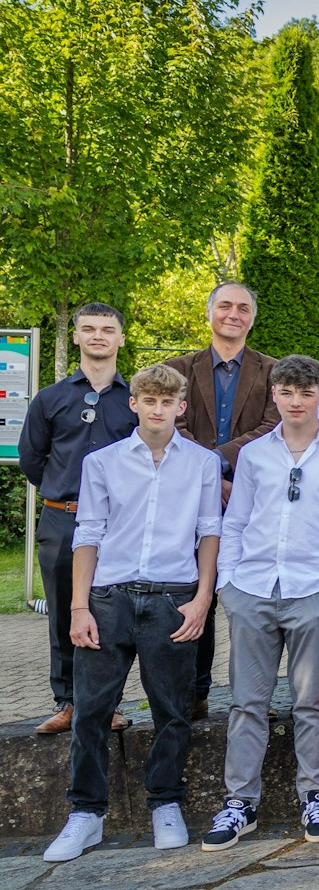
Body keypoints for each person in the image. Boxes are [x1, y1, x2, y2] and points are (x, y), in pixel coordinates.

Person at [42, 364, 219, 863]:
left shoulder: (203, 464)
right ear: (135, 403)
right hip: (108, 597)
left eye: (168, 401)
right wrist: (79, 607)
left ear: (181, 407)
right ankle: (86, 813)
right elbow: (88, 534)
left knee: (171, 709)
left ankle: (165, 803)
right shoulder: (103, 462)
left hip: (172, 597)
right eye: (149, 400)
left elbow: (209, 531)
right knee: (92, 712)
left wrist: (203, 597)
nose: (158, 409)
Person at [203, 355, 319, 851]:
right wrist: (227, 583)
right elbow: (234, 522)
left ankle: (315, 795)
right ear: (274, 396)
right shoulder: (254, 455)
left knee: (312, 700)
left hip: (313, 592)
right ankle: (240, 803)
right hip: (253, 589)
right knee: (246, 704)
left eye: (306, 393)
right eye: (287, 393)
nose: (296, 402)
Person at [164, 282, 280, 718]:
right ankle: (194, 693)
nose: (234, 313)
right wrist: (210, 473)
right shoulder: (178, 369)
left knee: (253, 601)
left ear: (252, 316)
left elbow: (272, 426)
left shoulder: (272, 371)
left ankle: (253, 695)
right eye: (226, 305)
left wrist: (217, 466)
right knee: (195, 594)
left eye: (244, 307)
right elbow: (170, 422)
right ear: (210, 311)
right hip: (188, 503)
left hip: (251, 500)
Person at [22, 303, 138, 737]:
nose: (98, 336)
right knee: (63, 614)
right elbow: (33, 459)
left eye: (107, 330)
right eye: (88, 329)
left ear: (120, 338)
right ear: (75, 337)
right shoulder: (50, 398)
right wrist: (65, 492)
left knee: (112, 614)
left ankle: (106, 704)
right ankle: (68, 703)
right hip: (61, 520)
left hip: (117, 525)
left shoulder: (134, 401)